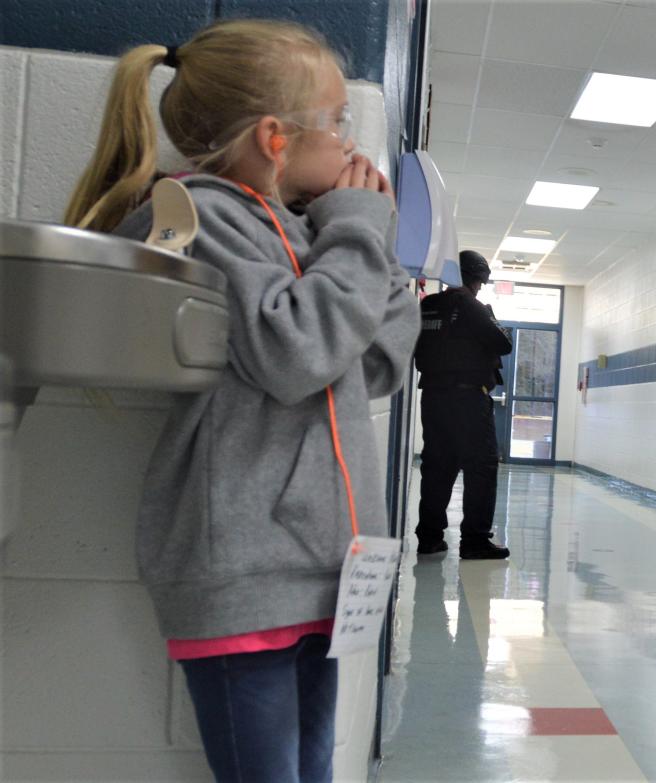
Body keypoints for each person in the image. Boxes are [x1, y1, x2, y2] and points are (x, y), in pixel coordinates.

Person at [64, 19, 421, 781]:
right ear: (274, 137)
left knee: (312, 770)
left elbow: (377, 365)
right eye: (337, 121)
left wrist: (373, 247)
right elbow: (297, 354)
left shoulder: (308, 232)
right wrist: (354, 236)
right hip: (243, 570)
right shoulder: (206, 218)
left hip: (322, 566)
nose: (350, 141)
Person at [414, 250, 513, 560]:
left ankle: (429, 537)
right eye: (480, 283)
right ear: (475, 280)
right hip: (469, 398)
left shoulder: (427, 306)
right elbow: (503, 344)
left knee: (437, 466)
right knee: (481, 467)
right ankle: (475, 540)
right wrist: (487, 314)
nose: (481, 288)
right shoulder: (470, 305)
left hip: (433, 396)